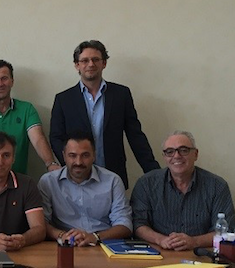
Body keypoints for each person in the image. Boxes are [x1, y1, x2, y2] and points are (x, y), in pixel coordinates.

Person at [50, 40, 159, 188]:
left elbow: (135, 135)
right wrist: (71, 164)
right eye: (85, 60)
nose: (91, 64)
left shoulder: (121, 94)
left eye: (95, 59)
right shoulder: (64, 99)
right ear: (77, 65)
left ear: (104, 63)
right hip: (76, 177)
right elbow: (56, 137)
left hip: (113, 175)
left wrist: (153, 171)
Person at [131, 130, 235, 251]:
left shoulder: (217, 186)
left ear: (195, 154)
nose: (176, 156)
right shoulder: (146, 184)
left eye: (184, 150)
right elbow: (138, 223)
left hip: (202, 254)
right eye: (170, 152)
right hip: (159, 252)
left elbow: (225, 231)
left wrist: (194, 242)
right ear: (164, 157)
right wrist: (161, 240)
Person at [0, 59, 59, 175]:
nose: (0, 84)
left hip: (18, 180)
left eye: (4, 78)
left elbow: (38, 139)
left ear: (12, 81)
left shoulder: (27, 109)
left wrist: (50, 163)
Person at [38, 131, 132, 247]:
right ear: (64, 156)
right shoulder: (48, 182)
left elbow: (125, 225)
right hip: (63, 246)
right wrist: (62, 235)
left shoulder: (112, 181)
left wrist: (95, 237)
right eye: (72, 155)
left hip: (103, 245)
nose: (78, 162)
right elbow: (40, 223)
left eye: (85, 155)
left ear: (94, 155)